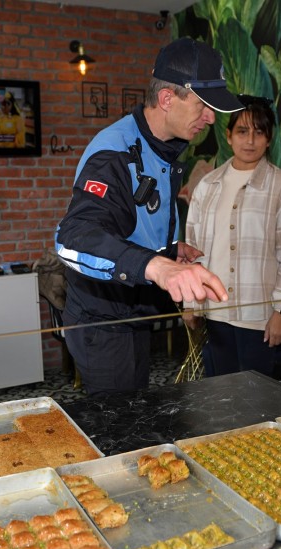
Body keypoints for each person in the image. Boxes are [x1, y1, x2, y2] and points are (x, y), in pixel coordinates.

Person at [55, 37, 243, 396]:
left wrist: (168, 252)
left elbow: (130, 223)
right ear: (168, 99)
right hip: (102, 321)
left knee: (139, 407)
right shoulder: (113, 153)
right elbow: (73, 237)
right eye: (203, 106)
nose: (210, 118)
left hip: (133, 311)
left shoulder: (163, 147)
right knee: (119, 422)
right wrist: (158, 267)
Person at [183, 96, 281, 383]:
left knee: (260, 399)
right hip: (214, 315)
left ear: (268, 139)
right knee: (219, 396)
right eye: (242, 131)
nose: (250, 140)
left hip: (259, 319)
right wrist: (190, 302)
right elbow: (191, 250)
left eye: (259, 132)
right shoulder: (207, 186)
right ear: (228, 136)